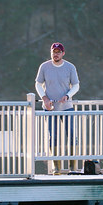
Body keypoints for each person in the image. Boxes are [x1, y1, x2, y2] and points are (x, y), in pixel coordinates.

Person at [35, 42, 80, 175]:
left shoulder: (70, 67)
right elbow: (38, 84)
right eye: (54, 52)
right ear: (51, 53)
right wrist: (45, 98)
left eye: (58, 52)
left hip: (67, 107)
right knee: (52, 136)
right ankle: (57, 168)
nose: (56, 54)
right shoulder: (44, 66)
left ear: (63, 53)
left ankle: (73, 167)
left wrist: (67, 95)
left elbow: (76, 85)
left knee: (72, 135)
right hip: (50, 108)